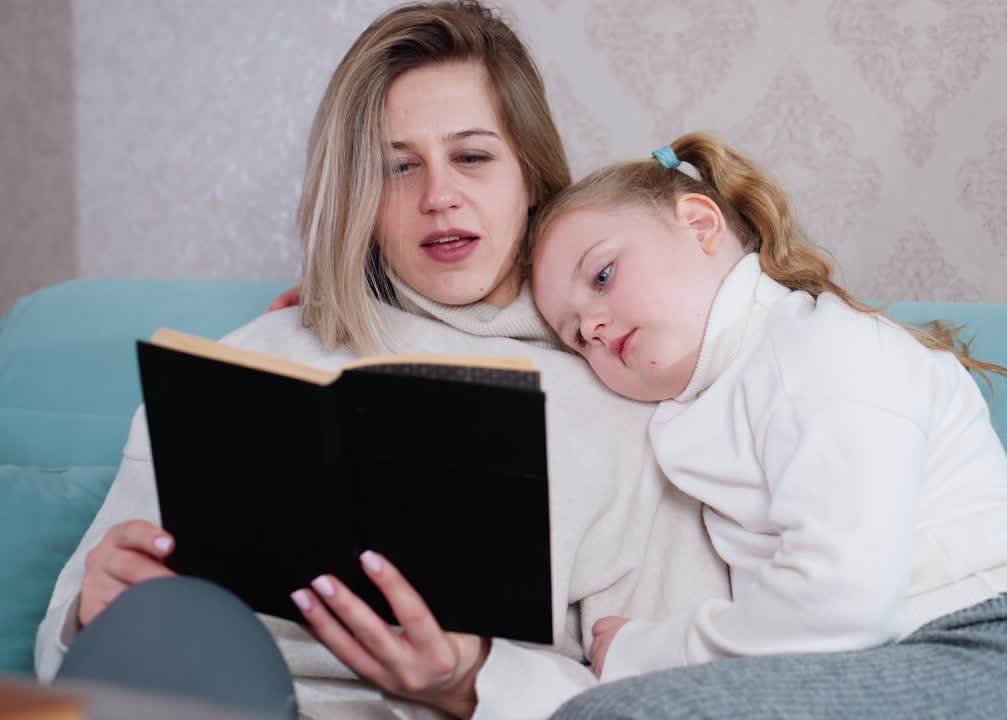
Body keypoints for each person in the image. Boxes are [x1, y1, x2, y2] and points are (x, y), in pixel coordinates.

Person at [35, 4, 730, 719]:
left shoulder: (630, 390)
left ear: (531, 173)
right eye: (397, 167)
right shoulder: (251, 358)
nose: (438, 197)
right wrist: (90, 611)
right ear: (358, 196)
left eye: (471, 157)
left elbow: (673, 698)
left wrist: (472, 679)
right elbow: (64, 657)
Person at [529, 133, 1007, 718]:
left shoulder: (819, 348)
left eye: (602, 276)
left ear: (701, 225)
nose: (594, 327)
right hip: (885, 656)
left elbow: (842, 600)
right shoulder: (717, 391)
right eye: (575, 335)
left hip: (999, 651)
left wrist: (646, 649)